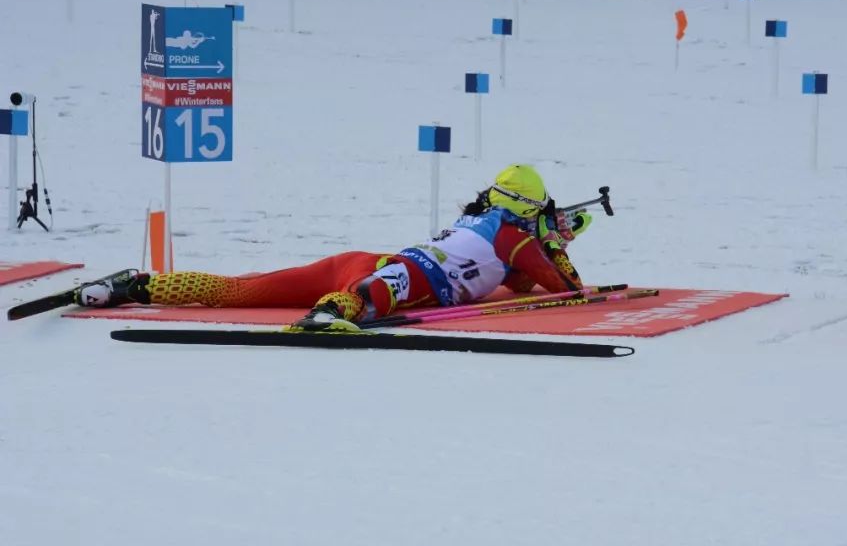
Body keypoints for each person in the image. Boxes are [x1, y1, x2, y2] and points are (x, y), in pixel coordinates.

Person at [77, 164, 594, 332]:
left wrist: (550, 240)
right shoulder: (518, 235)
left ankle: (132, 286)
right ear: (530, 208)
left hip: (370, 259)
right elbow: (568, 288)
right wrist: (558, 242)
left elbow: (515, 282)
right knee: (365, 298)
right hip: (405, 278)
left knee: (241, 289)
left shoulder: (481, 218)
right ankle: (328, 315)